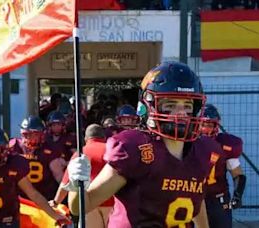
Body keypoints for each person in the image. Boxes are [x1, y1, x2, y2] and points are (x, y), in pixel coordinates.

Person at [65, 62, 224, 227]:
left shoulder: (202, 151)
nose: (181, 114)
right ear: (149, 107)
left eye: (187, 106)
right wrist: (76, 185)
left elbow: (198, 203)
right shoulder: (135, 148)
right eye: (170, 105)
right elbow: (82, 206)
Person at [51, 124, 114, 228]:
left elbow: (66, 182)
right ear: (104, 137)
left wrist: (56, 202)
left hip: (89, 204)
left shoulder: (80, 153)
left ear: (86, 139)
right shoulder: (111, 151)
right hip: (112, 203)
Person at [201, 104, 246, 228]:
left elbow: (238, 174)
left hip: (218, 198)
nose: (205, 129)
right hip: (195, 198)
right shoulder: (187, 143)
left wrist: (237, 195)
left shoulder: (224, 145)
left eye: (209, 125)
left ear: (216, 125)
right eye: (202, 125)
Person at [9, 116, 66, 200]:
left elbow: (59, 177)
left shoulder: (49, 149)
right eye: (28, 135)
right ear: (23, 134)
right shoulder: (13, 146)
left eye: (35, 135)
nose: (31, 138)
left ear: (42, 135)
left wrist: (59, 199)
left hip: (44, 196)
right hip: (19, 199)